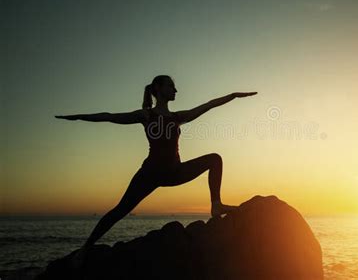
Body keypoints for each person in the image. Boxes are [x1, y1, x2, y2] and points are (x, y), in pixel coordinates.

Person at [55, 75, 257, 265]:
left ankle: (216, 205)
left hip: (175, 172)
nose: (176, 89)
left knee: (215, 159)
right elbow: (110, 117)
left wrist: (233, 96)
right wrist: (79, 117)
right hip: (150, 174)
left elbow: (209, 105)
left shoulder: (178, 116)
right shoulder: (147, 114)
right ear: (158, 89)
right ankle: (85, 249)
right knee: (119, 211)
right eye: (171, 85)